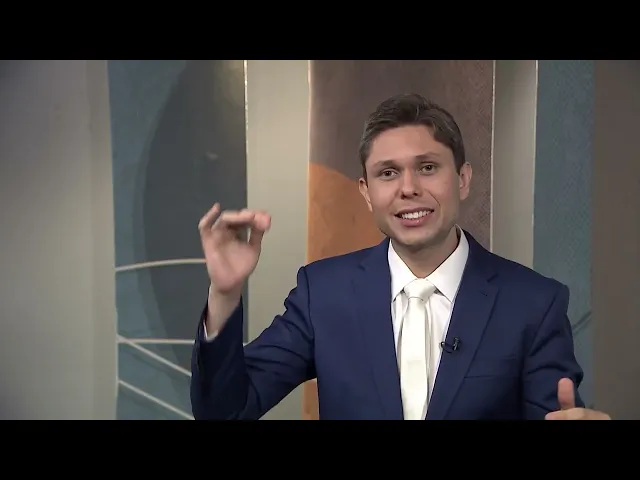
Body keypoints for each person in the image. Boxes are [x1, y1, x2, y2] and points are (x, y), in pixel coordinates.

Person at [190, 93, 611, 420]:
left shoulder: (534, 303)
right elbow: (225, 411)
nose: (408, 188)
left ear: (463, 179)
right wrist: (224, 296)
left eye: (427, 167)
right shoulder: (323, 294)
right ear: (366, 191)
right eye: (388, 173)